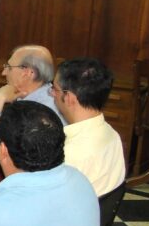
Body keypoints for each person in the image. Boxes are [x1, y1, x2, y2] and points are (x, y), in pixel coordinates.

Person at [53, 58, 125, 196]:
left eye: (54, 89)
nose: (52, 94)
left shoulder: (70, 155)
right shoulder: (112, 134)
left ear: (69, 97)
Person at [0, 44, 64, 155]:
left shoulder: (42, 109)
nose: (3, 73)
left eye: (8, 67)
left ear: (27, 73)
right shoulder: (28, 98)